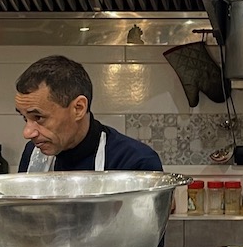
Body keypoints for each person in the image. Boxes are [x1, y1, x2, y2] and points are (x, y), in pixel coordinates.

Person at [14, 55, 163, 173]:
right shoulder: (33, 154)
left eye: (38, 118)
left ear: (78, 108)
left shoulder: (135, 162)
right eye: (24, 118)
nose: (27, 133)